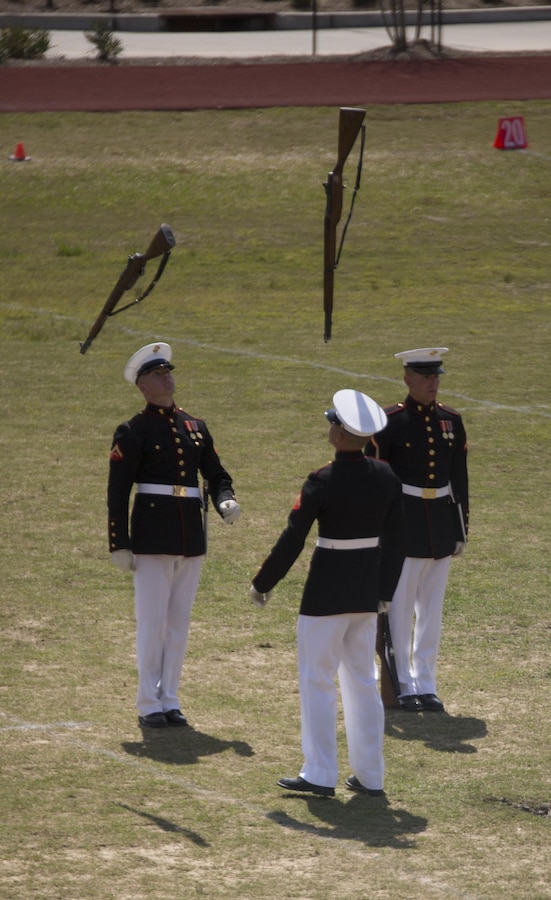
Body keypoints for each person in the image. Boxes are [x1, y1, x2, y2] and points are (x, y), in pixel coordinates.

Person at [250, 390, 406, 797]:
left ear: (339, 435)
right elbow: (398, 540)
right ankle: (371, 776)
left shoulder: (322, 480)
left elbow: (293, 539)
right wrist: (384, 591)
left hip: (325, 594)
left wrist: (264, 582)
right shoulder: (387, 476)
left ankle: (320, 773)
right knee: (362, 682)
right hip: (366, 593)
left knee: (317, 680)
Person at [107, 342, 240, 729]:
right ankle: (148, 701)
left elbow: (217, 474)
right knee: (152, 623)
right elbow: (118, 491)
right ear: (142, 386)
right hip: (152, 536)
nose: (167, 377)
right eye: (156, 374)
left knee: (178, 623)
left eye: (168, 371)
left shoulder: (195, 427)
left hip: (189, 537)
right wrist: (120, 542)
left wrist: (224, 500)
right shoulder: (134, 430)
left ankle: (170, 697)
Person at [365, 347, 469, 713]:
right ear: (407, 379)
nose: (433, 384)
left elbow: (459, 477)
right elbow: (376, 478)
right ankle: (401, 684)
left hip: (439, 523)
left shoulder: (451, 420)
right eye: (426, 377)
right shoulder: (389, 421)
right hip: (404, 525)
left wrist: (461, 527)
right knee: (400, 608)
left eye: (436, 377)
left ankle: (426, 682)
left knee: (431, 613)